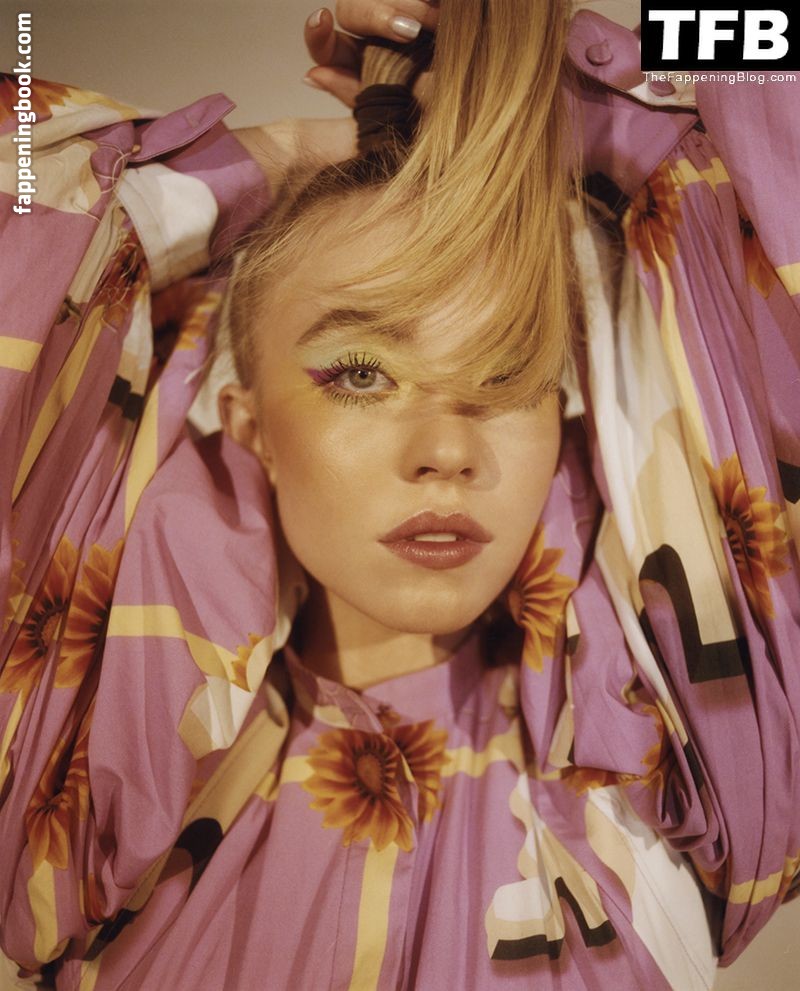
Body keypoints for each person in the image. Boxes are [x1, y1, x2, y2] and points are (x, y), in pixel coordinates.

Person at [0, 2, 798, 989]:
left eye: (503, 373)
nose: (445, 452)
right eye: (362, 373)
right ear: (250, 422)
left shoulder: (701, 749)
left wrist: (585, 80)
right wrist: (267, 163)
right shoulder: (76, 770)